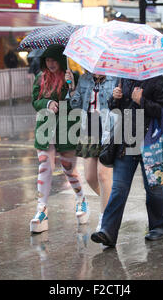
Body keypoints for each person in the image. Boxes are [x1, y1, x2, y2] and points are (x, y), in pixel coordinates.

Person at [90, 75, 163, 247]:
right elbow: (116, 109)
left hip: (151, 140)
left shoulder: (157, 80)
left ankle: (160, 226)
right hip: (126, 140)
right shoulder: (123, 79)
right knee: (119, 187)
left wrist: (141, 100)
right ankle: (107, 231)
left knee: (154, 187)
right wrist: (114, 99)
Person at [30, 44, 87, 234]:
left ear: (61, 60)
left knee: (69, 169)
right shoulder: (41, 77)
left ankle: (80, 199)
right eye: (47, 60)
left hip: (67, 127)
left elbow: (78, 104)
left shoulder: (73, 76)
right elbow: (34, 101)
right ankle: (41, 209)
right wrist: (47, 103)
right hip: (45, 128)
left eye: (54, 59)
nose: (51, 63)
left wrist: (72, 88)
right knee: (44, 166)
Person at [69, 72, 119, 231]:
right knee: (90, 177)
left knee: (103, 175)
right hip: (88, 129)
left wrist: (119, 96)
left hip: (108, 129)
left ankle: (105, 220)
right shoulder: (84, 79)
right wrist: (71, 89)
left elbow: (121, 106)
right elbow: (75, 106)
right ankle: (114, 206)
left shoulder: (115, 78)